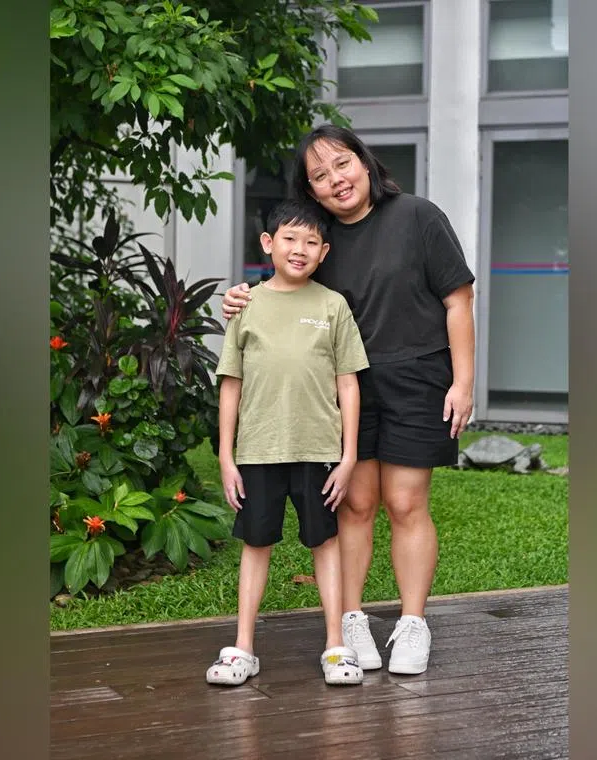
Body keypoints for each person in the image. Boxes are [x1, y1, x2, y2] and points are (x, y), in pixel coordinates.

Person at [221, 125, 476, 675]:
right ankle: (352, 617)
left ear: (363, 162)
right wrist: (241, 295)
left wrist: (463, 381)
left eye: (342, 164)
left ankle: (412, 623)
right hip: (344, 387)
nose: (335, 180)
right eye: (319, 176)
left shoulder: (418, 217)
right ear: (309, 191)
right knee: (355, 504)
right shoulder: (319, 239)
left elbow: (459, 300)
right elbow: (284, 287)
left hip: (418, 377)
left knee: (406, 503)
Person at [206, 199, 369, 687]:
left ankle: (336, 647)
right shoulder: (247, 305)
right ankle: (243, 648)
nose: (300, 249)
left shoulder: (332, 305)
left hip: (319, 450)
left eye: (311, 242)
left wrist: (349, 456)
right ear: (268, 244)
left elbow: (348, 383)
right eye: (290, 239)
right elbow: (230, 382)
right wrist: (225, 455)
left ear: (324, 252)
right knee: (256, 544)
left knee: (325, 542)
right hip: (258, 451)